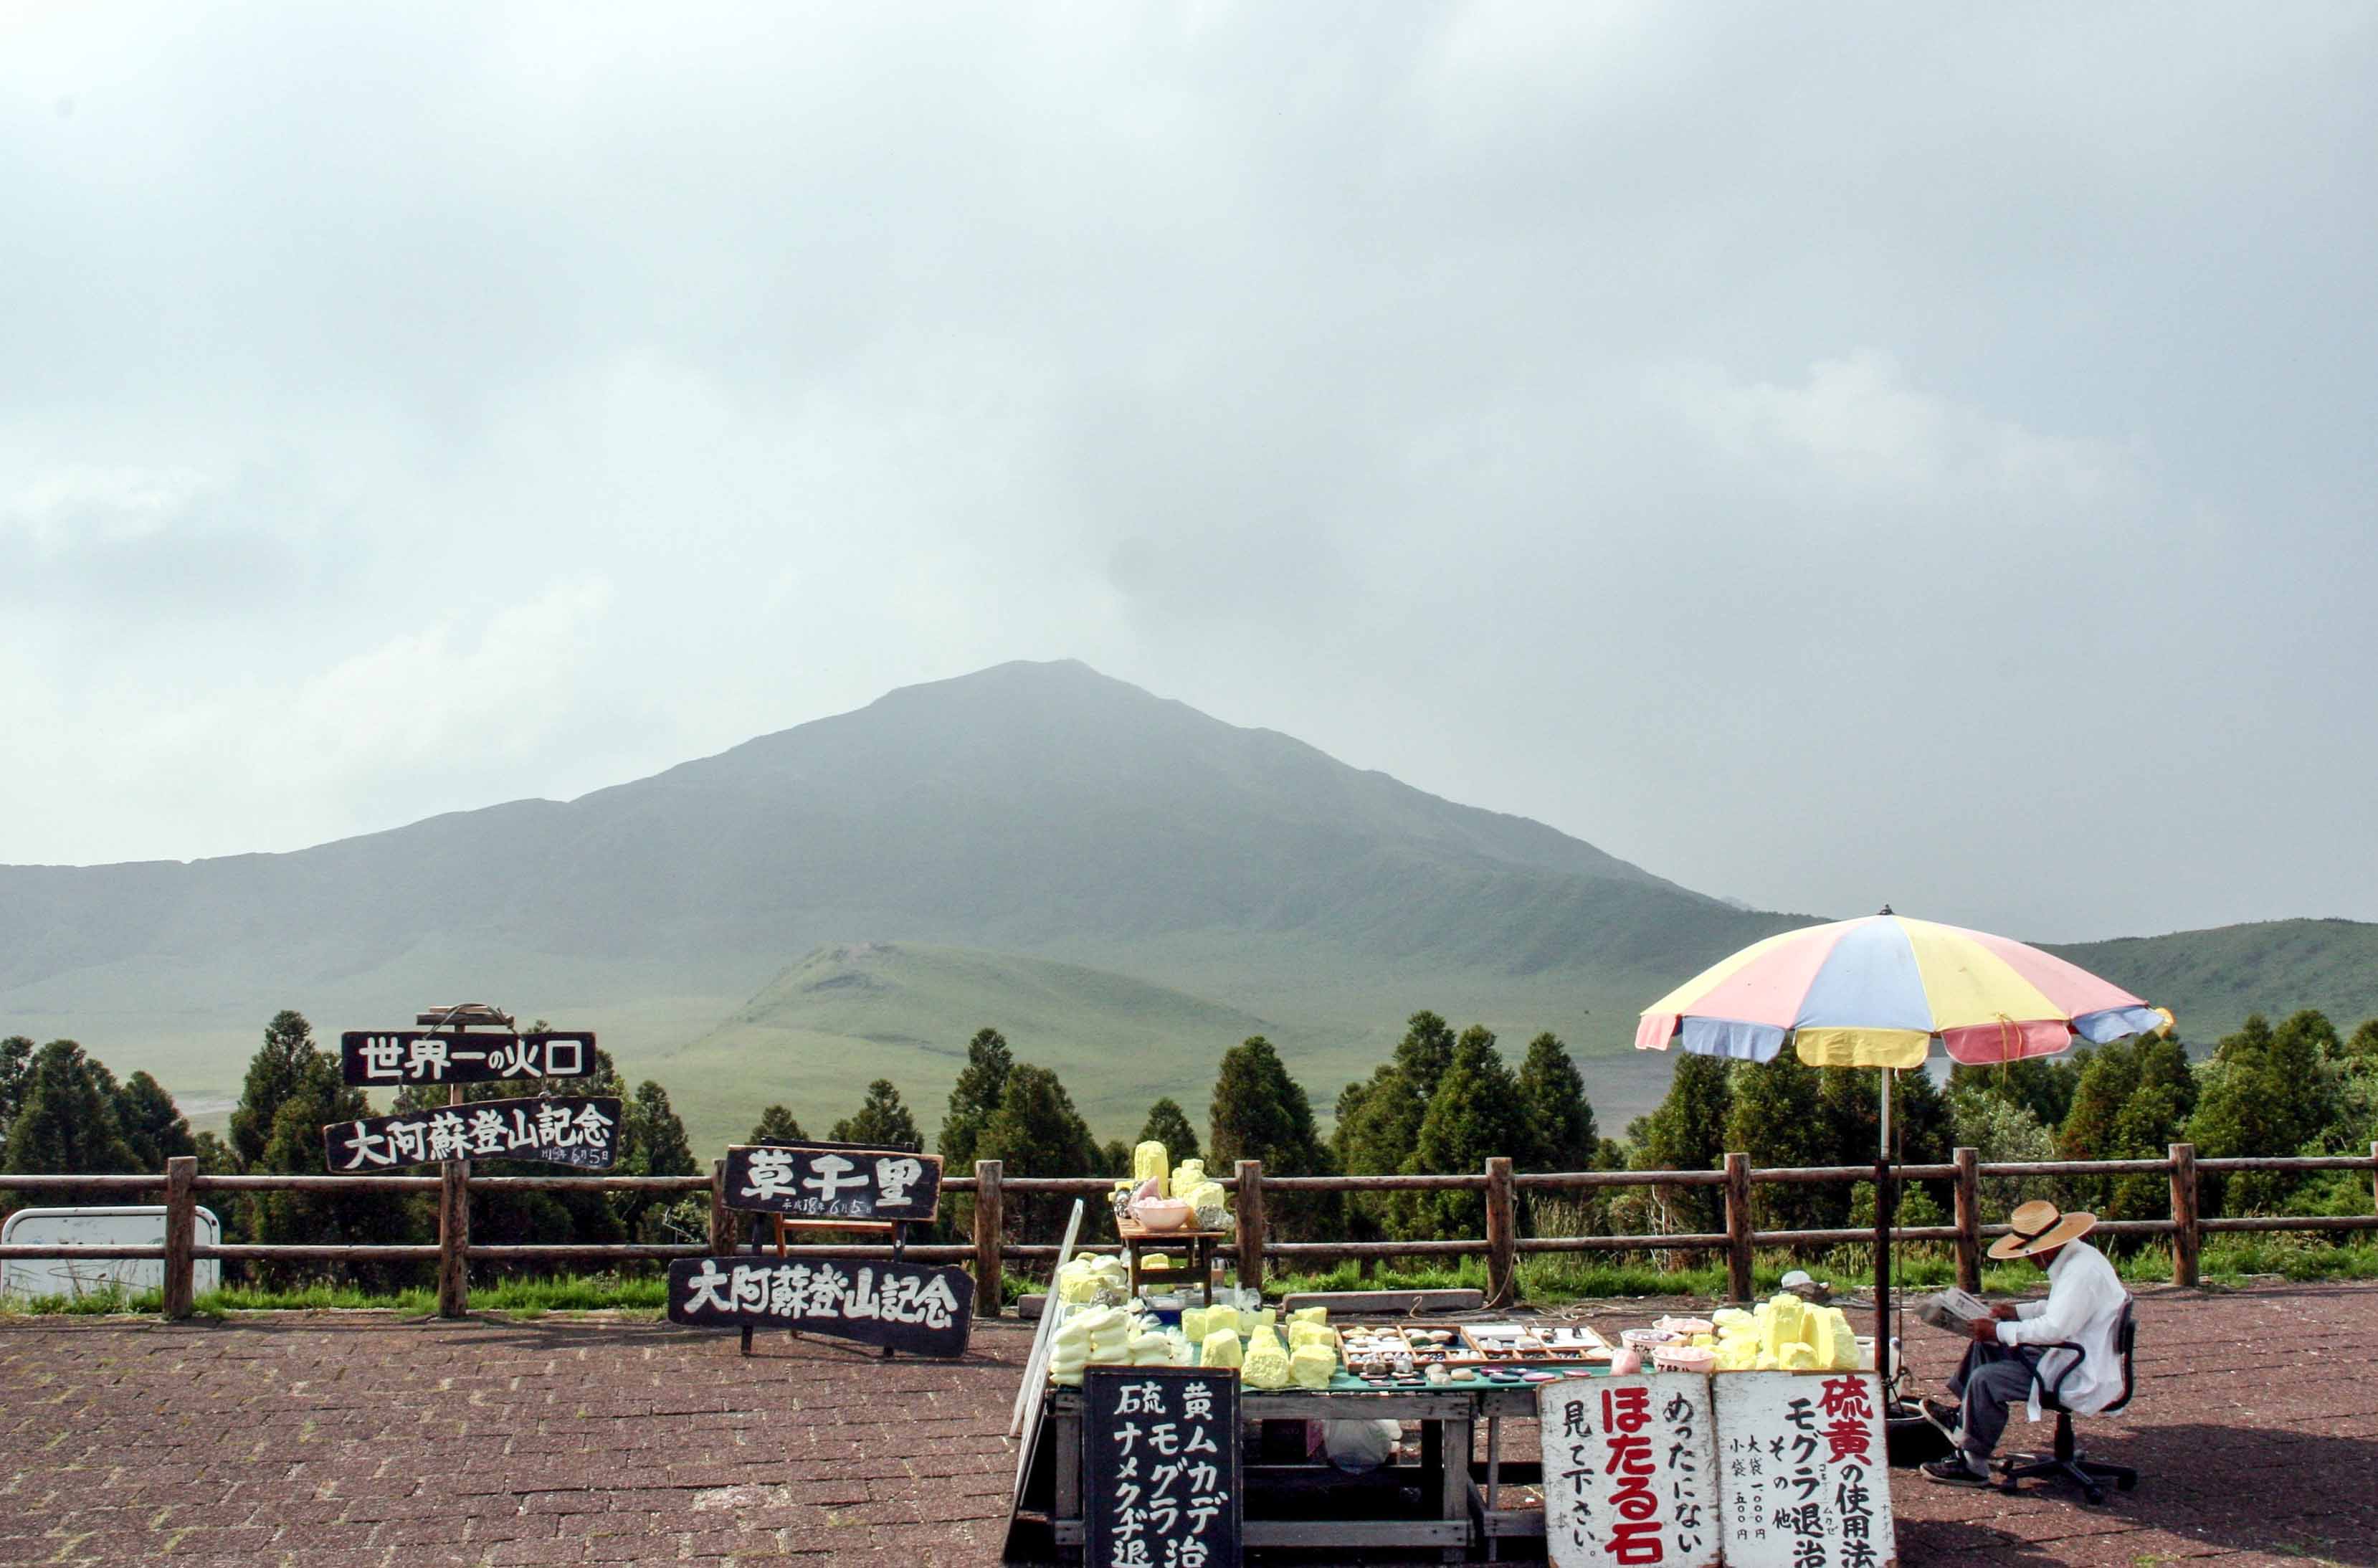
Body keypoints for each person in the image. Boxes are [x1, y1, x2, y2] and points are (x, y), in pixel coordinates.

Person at [1919, 1199, 2129, 1486]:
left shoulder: (2080, 1273)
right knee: (1984, 1346)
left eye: (2030, 1253)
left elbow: (2053, 1329)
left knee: (1986, 1380)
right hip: (2074, 1353)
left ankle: (1973, 1464)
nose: (2029, 1259)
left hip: (2075, 1367)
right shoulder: (2081, 1258)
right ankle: (1963, 1418)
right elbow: (2060, 1309)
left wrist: (1999, 1331)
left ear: (2046, 1249)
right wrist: (2016, 1313)